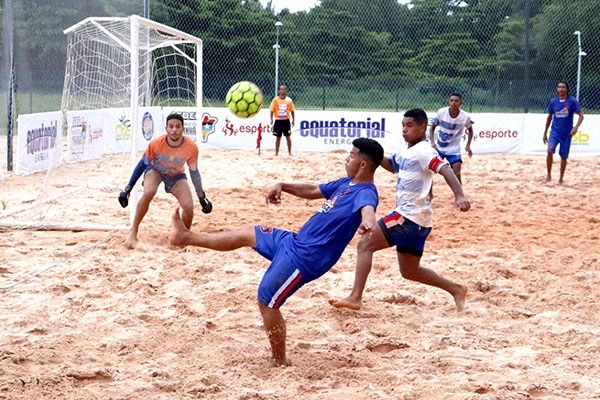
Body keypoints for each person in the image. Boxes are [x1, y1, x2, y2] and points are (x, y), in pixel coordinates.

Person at [169, 137, 384, 366]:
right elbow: (313, 190)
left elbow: (368, 210)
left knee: (267, 301)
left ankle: (279, 361)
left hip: (305, 258)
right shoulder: (347, 183)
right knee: (247, 234)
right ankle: (186, 237)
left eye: (351, 155)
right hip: (293, 241)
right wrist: (282, 184)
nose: (346, 158)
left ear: (363, 164)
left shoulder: (366, 192)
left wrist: (368, 222)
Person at [329, 108, 470, 312]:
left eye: (410, 125)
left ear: (423, 127)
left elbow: (445, 169)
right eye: (403, 125)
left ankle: (355, 297)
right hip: (420, 221)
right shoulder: (407, 151)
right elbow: (391, 165)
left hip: (408, 216)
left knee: (365, 244)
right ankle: (456, 289)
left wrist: (459, 195)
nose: (405, 129)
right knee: (410, 271)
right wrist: (371, 152)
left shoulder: (424, 151)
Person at [120, 113, 212, 249]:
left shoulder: (191, 147)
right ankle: (133, 233)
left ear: (183, 129)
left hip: (176, 175)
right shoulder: (156, 144)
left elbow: (194, 173)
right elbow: (141, 165)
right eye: (171, 126)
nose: (174, 129)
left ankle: (183, 237)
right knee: (148, 192)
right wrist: (127, 189)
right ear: (166, 128)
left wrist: (201, 197)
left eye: (177, 126)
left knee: (188, 207)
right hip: (155, 170)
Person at [543, 81, 584, 185]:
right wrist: (545, 133)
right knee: (549, 151)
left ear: (567, 89)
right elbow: (549, 117)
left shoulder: (573, 101)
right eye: (559, 87)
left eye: (563, 87)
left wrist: (575, 128)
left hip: (566, 134)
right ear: (557, 89)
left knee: (564, 157)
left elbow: (581, 116)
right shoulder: (553, 101)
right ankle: (548, 175)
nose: (561, 89)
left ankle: (561, 178)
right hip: (555, 132)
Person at [429, 92, 474, 186]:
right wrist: (433, 142)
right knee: (428, 171)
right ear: (448, 102)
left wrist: (468, 145)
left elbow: (470, 131)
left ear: (461, 103)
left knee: (457, 173)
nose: (454, 103)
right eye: (451, 100)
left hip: (454, 149)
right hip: (439, 147)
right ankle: (429, 195)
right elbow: (432, 127)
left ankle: (460, 196)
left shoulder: (465, 116)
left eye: (456, 101)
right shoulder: (441, 112)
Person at [269, 83, 295, 156]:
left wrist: (293, 120)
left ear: (286, 91)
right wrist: (271, 119)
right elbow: (271, 110)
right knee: (278, 137)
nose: (282, 91)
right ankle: (276, 153)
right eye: (281, 89)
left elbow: (292, 110)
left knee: (288, 137)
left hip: (286, 121)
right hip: (278, 121)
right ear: (279, 91)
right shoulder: (275, 100)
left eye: (284, 89)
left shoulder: (289, 100)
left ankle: (290, 152)